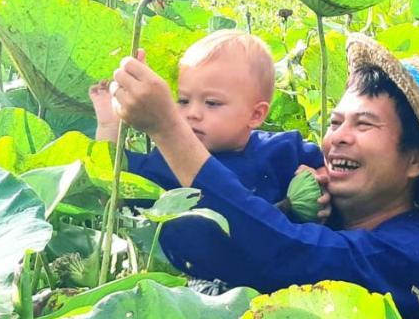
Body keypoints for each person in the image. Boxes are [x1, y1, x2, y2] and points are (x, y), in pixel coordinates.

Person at [105, 33, 419, 319]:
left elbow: (283, 253)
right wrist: (110, 131)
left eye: (364, 125)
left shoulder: (414, 254)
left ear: (416, 159)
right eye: (335, 123)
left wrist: (169, 128)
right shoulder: (313, 193)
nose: (338, 138)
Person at [89, 30, 326, 218]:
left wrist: (318, 179)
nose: (193, 113)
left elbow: (336, 171)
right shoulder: (165, 162)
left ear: (256, 115)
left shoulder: (284, 150)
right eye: (183, 100)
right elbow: (113, 183)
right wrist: (109, 125)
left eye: (211, 103)